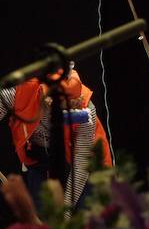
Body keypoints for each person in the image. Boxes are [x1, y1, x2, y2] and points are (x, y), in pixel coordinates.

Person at [1, 68, 112, 210]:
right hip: (39, 157)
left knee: (87, 215)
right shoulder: (21, 91)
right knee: (43, 213)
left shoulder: (85, 111)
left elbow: (80, 167)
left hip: (83, 163)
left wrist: (65, 213)